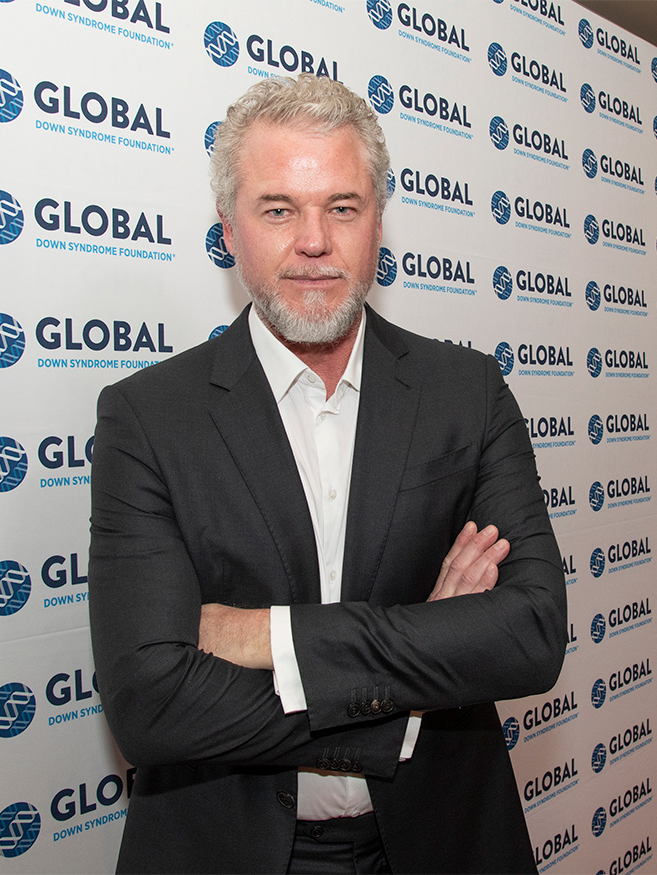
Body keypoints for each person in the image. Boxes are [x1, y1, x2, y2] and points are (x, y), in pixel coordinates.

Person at [88, 73, 566, 875]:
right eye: (278, 209)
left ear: (378, 221)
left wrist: (263, 635)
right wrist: (422, 666)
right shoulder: (147, 416)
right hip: (226, 850)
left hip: (444, 840)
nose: (314, 241)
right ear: (229, 229)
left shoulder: (468, 391)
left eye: (342, 207)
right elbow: (150, 703)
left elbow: (532, 634)